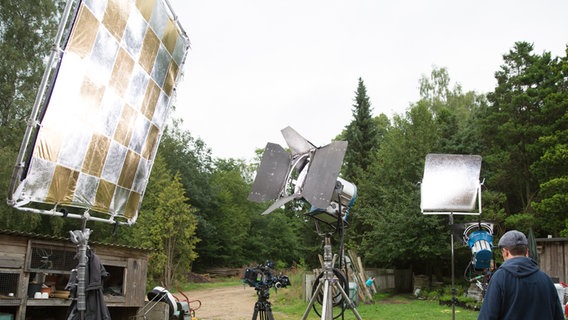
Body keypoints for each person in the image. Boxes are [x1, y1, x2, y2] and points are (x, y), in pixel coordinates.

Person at [478, 230, 564, 320]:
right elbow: (558, 316)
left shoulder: (499, 278)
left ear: (505, 252)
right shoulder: (546, 279)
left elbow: (487, 316)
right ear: (527, 252)